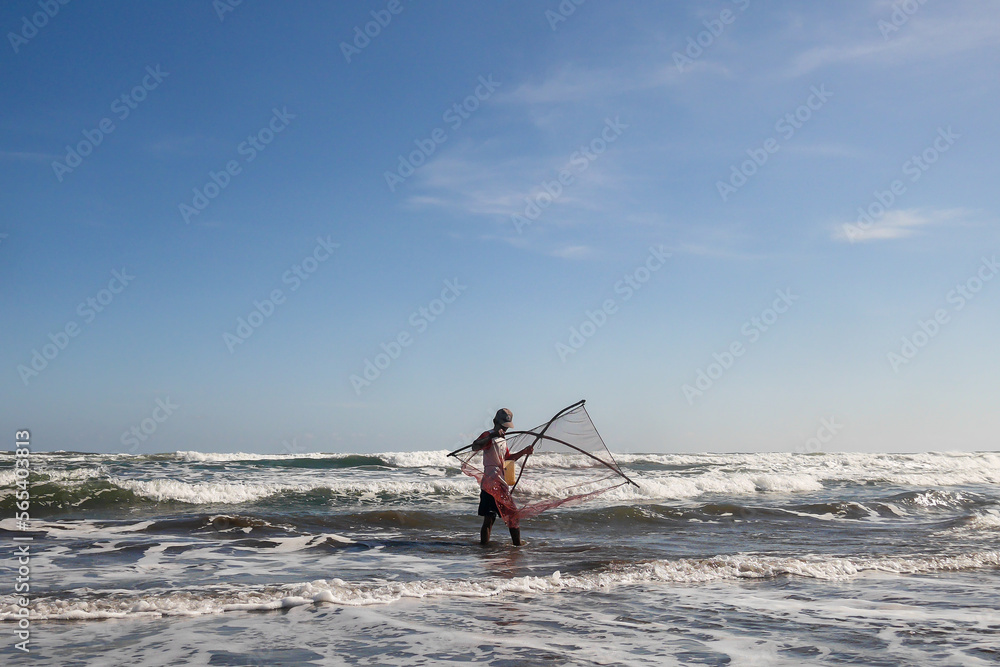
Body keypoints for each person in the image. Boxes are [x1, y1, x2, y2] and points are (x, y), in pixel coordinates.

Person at [471, 408, 533, 546]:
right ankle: (485, 549)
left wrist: (524, 452)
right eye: (503, 426)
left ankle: (517, 546)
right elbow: (475, 446)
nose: (504, 430)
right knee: (489, 519)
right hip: (489, 484)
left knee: (512, 516)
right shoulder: (488, 435)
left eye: (506, 427)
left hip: (501, 483)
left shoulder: (502, 440)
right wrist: (492, 437)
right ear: (495, 422)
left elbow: (507, 459)